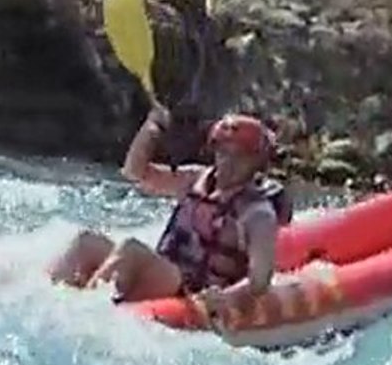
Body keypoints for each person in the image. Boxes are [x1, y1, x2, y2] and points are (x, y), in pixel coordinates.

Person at [47, 105, 293, 313]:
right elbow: (135, 171)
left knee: (131, 248)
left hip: (193, 291)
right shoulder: (195, 178)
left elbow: (260, 281)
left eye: (238, 156)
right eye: (222, 152)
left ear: (255, 162)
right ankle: (49, 298)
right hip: (166, 271)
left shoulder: (258, 214)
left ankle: (82, 312)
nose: (226, 162)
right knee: (87, 241)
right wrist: (152, 128)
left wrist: (225, 299)